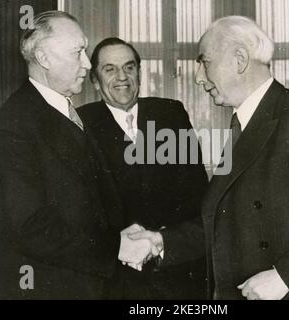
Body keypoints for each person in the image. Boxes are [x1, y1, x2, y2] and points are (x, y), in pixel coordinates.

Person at [130, 16, 289, 300]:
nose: (198, 77)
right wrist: (160, 241)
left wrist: (285, 276)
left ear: (239, 60)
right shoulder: (243, 126)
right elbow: (223, 222)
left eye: (204, 62)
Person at [0, 11, 127, 299]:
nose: (87, 63)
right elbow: (29, 225)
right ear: (44, 59)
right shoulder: (14, 124)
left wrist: (120, 235)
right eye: (78, 52)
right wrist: (116, 246)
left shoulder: (65, 112)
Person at [77, 37, 208, 299]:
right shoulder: (80, 123)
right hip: (116, 279)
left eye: (129, 67)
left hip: (175, 270)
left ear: (139, 72)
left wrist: (162, 241)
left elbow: (198, 192)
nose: (122, 77)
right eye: (110, 69)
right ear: (94, 80)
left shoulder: (171, 113)